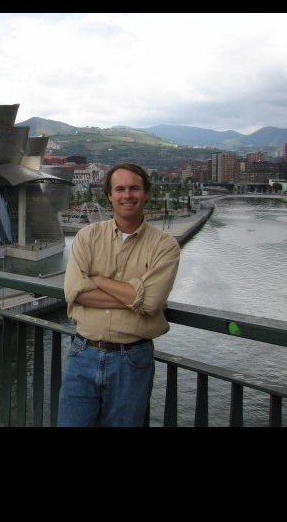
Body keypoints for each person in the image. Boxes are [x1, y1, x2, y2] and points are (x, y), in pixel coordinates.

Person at [58, 163, 180, 427]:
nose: (127, 195)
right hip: (83, 352)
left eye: (134, 188)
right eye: (120, 189)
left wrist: (98, 280)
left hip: (132, 359)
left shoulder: (165, 246)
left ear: (146, 194)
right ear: (109, 195)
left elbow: (152, 302)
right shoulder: (87, 236)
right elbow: (74, 292)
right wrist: (134, 295)